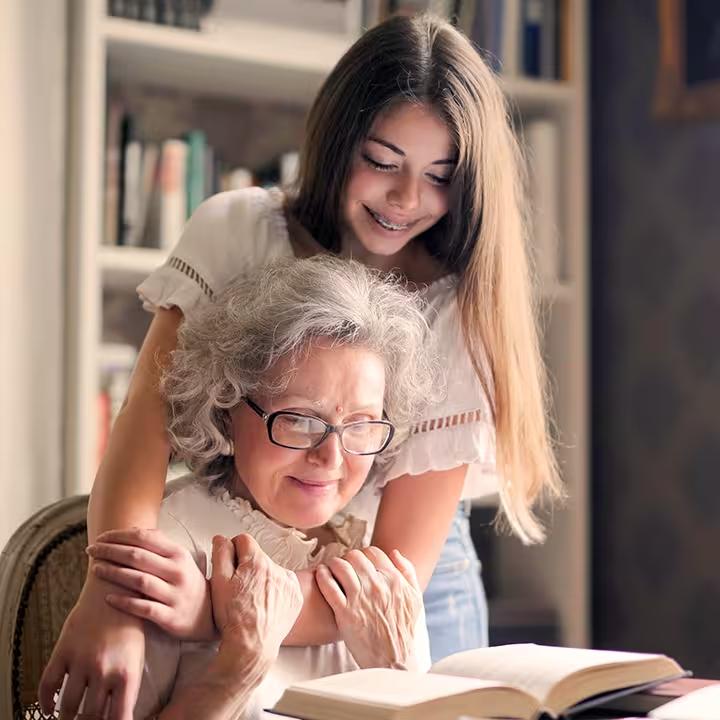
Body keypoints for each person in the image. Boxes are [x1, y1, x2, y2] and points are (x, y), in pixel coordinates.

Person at [41, 12, 562, 719]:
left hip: (390, 584)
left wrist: (208, 615)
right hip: (237, 552)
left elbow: (395, 566)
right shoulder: (240, 231)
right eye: (382, 161)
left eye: (440, 176)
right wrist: (113, 596)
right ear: (337, 140)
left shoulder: (457, 311)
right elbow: (143, 426)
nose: (407, 200)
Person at [78, 256, 433, 719]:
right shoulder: (168, 551)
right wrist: (236, 670)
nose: (331, 457)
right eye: (301, 421)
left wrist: (397, 673)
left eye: (362, 425)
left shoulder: (377, 570)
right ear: (225, 404)